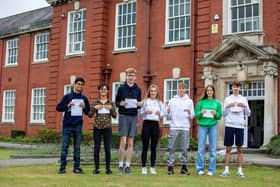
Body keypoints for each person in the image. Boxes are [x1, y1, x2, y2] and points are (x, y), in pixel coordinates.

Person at [56, 77, 90, 174]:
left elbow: (88, 112)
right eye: (78, 84)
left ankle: (76, 168)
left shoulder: (84, 98)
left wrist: (85, 107)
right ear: (74, 85)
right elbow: (58, 108)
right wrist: (67, 106)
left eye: (82, 84)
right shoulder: (67, 97)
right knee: (64, 147)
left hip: (78, 125)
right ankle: (62, 168)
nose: (80, 86)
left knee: (77, 147)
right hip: (67, 125)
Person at [220, 81, 251, 178]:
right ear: (231, 88)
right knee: (228, 149)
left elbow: (248, 113)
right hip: (229, 125)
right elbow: (223, 114)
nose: (235, 88)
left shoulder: (243, 99)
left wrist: (245, 106)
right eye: (234, 87)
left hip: (240, 126)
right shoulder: (228, 99)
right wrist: (228, 107)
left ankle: (240, 171)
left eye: (237, 87)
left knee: (240, 149)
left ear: (239, 88)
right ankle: (226, 171)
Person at [115, 67, 142, 174]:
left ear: (135, 77)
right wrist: (120, 103)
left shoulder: (138, 89)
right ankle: (120, 165)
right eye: (129, 76)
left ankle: (128, 166)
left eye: (132, 76)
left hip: (133, 116)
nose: (130, 78)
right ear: (126, 77)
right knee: (123, 141)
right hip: (123, 115)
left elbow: (139, 105)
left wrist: (139, 105)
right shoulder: (121, 88)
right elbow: (117, 102)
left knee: (131, 142)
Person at [88, 83, 117, 175]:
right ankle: (97, 169)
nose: (103, 91)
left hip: (107, 128)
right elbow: (89, 115)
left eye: (105, 89)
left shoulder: (111, 103)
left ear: (107, 91)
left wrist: (111, 109)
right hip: (97, 127)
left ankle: (108, 169)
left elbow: (115, 115)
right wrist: (94, 108)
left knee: (107, 149)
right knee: (97, 148)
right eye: (101, 89)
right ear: (99, 91)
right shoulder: (96, 102)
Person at [166, 82, 194, 175]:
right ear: (178, 89)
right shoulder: (172, 100)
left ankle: (184, 168)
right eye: (180, 88)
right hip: (174, 127)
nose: (181, 90)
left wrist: (189, 112)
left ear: (185, 90)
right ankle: (170, 167)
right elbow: (168, 117)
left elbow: (192, 116)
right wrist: (168, 112)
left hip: (185, 127)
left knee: (185, 148)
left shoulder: (189, 101)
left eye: (183, 88)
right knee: (171, 148)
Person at [195, 84, 222, 176]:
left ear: (213, 92)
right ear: (206, 92)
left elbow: (219, 116)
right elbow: (196, 115)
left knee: (213, 149)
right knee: (201, 148)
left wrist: (215, 113)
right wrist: (201, 112)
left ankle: (211, 170)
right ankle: (200, 169)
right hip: (202, 126)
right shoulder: (200, 102)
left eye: (211, 90)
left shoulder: (217, 103)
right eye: (208, 90)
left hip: (213, 126)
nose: (209, 92)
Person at [139, 84, 165, 175]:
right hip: (146, 124)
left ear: (157, 92)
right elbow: (140, 113)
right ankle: (143, 167)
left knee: (153, 148)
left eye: (154, 91)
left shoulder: (159, 103)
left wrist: (159, 113)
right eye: (151, 91)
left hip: (155, 124)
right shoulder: (145, 101)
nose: (153, 92)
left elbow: (163, 114)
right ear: (149, 92)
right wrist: (144, 112)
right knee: (145, 147)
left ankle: (152, 167)